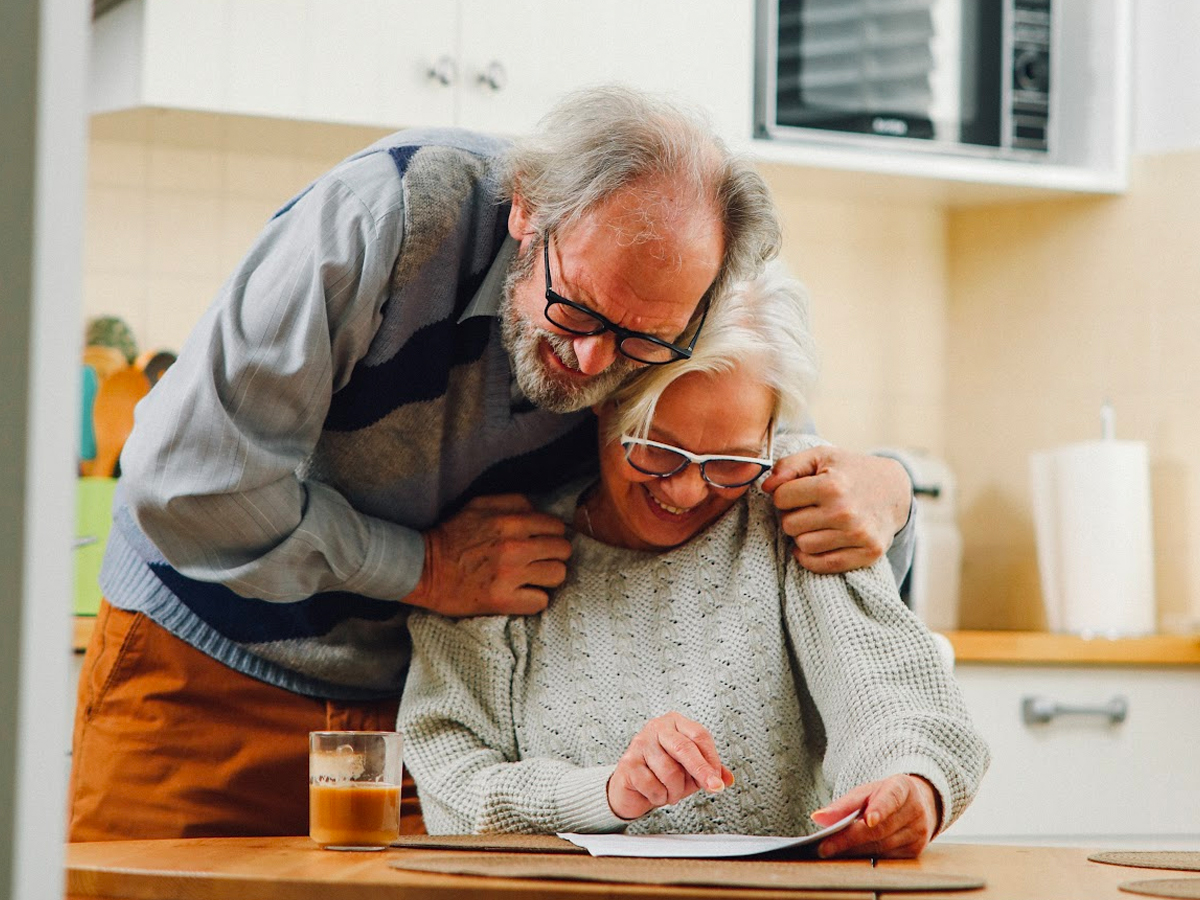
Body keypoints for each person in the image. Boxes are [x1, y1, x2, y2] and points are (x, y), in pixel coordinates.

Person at [69, 86, 915, 842]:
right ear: (526, 211)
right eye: (573, 308)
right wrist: (425, 567)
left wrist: (892, 488)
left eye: (641, 342)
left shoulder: (682, 293)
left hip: (416, 717)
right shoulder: (387, 214)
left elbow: (760, 454)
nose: (591, 362)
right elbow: (187, 486)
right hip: (202, 676)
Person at [399, 264, 989, 856]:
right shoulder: (501, 558)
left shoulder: (792, 509)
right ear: (603, 406)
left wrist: (914, 786)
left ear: (770, 435)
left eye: (730, 463)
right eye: (656, 449)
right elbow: (452, 786)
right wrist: (604, 793)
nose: (684, 492)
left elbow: (896, 697)